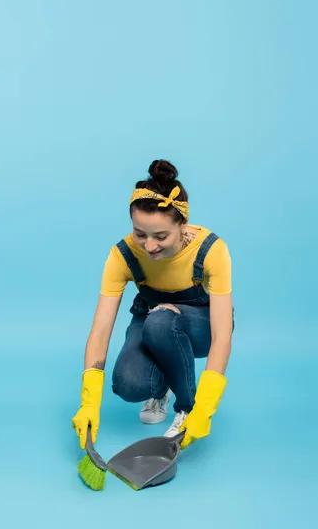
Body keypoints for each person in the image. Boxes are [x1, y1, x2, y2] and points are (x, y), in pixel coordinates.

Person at [72, 159, 234, 450]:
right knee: (128, 384)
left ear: (182, 224)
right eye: (140, 233)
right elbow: (100, 330)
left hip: (200, 326)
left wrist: (205, 407)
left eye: (161, 236)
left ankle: (186, 408)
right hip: (149, 321)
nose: (149, 246)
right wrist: (89, 401)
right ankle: (161, 389)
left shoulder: (212, 250)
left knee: (161, 320)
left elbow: (222, 334)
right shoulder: (121, 255)